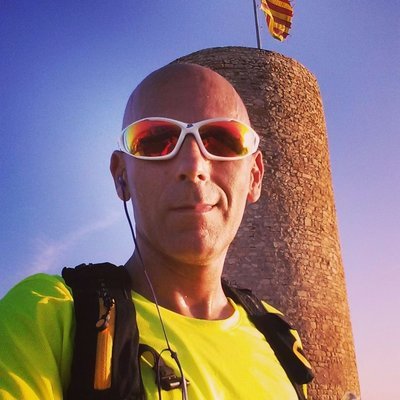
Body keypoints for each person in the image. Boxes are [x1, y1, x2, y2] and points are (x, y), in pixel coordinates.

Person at [0, 63, 310, 399]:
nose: (193, 166)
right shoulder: (47, 316)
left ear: (254, 176)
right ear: (121, 176)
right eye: (157, 141)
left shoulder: (282, 341)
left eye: (222, 140)